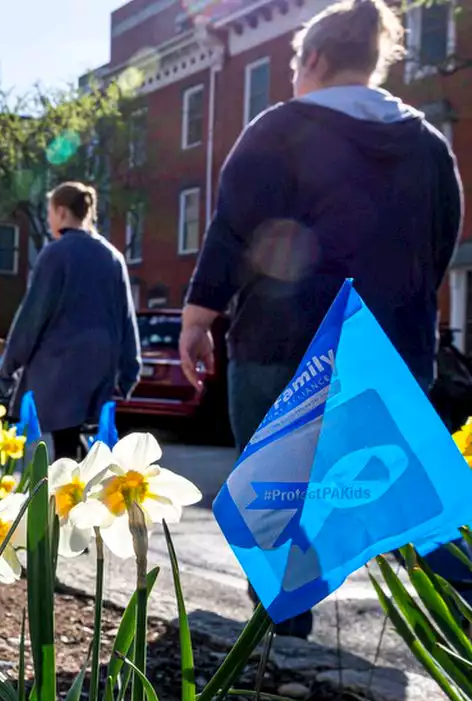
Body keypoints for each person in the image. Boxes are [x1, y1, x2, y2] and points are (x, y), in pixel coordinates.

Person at [179, 0, 464, 637]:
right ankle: (450, 613)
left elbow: (234, 229)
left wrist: (198, 317)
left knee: (277, 495)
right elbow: (442, 241)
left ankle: (286, 633)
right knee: (390, 489)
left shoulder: (279, 130)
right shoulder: (428, 147)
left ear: (313, 60)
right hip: (389, 348)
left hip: (282, 345)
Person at [0, 182, 141, 461]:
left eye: (50, 212)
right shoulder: (113, 257)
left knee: (65, 447)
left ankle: (69, 501)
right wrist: (129, 370)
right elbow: (126, 318)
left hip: (60, 367)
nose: (49, 220)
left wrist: (9, 366)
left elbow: (33, 315)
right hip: (100, 364)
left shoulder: (56, 254)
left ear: (61, 212)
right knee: (75, 442)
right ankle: (89, 492)